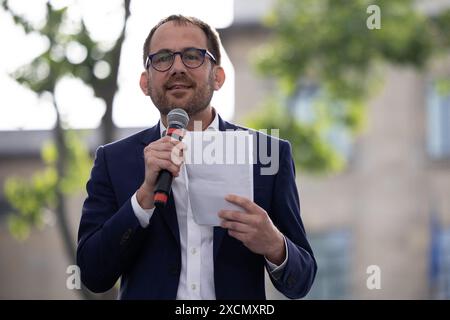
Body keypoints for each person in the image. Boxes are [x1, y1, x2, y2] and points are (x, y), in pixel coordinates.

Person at [77, 14, 317, 300]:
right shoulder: (113, 161)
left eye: (192, 56)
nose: (177, 67)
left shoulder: (267, 154)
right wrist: (142, 199)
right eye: (163, 58)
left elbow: (301, 282)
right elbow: (93, 273)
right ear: (145, 82)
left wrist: (275, 244)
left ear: (218, 77)